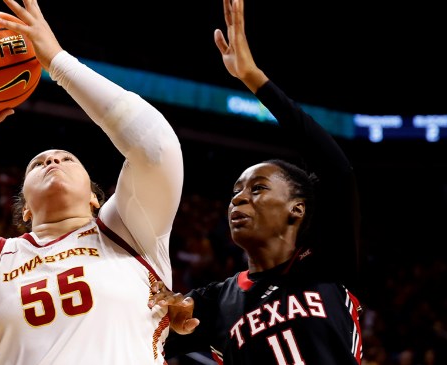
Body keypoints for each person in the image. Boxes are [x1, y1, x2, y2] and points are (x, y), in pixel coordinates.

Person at [0, 0, 184, 364]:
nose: (53, 160)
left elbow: (155, 147)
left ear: (94, 198)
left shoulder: (128, 232)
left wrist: (58, 62)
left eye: (66, 158)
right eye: (38, 163)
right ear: (24, 209)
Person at [149, 0, 363, 364]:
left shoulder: (326, 261)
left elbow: (335, 168)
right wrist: (159, 312)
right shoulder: (215, 300)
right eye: (235, 192)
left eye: (257, 188)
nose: (238, 199)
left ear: (297, 208)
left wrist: (253, 78)